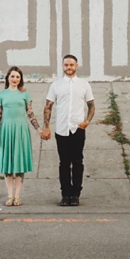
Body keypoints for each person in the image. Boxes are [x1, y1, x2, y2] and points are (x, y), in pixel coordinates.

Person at [40, 54, 95, 207]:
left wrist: (87, 122)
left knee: (77, 162)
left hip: (78, 129)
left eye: (71, 65)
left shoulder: (84, 84)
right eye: (66, 65)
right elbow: (48, 106)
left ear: (76, 66)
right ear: (63, 67)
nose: (69, 67)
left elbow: (91, 105)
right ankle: (65, 195)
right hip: (61, 129)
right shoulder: (56, 85)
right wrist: (47, 127)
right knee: (64, 163)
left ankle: (76, 194)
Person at [0, 66, 43, 206]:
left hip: (21, 129)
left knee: (19, 163)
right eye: (13, 76)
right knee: (7, 164)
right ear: (8, 77)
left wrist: (38, 129)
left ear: (20, 80)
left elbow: (30, 113)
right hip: (6, 129)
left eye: (18, 77)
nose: (15, 79)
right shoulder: (1, 94)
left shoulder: (25, 94)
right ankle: (9, 196)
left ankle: (17, 196)